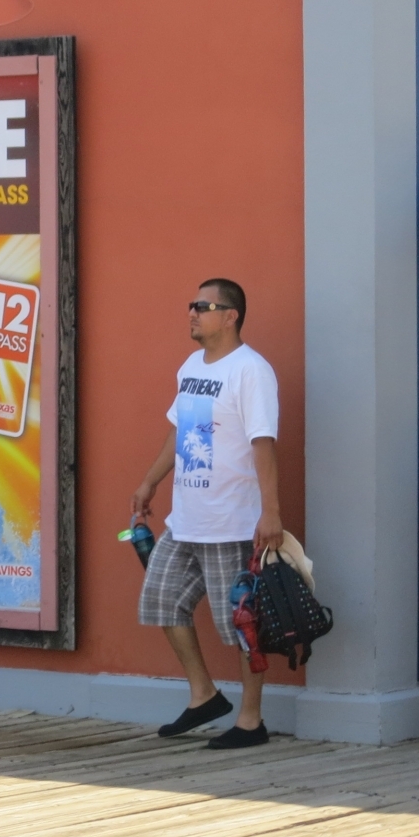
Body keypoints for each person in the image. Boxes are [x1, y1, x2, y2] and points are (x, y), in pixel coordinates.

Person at [130, 279, 282, 751]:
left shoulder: (251, 370)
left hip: (230, 522)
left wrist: (271, 513)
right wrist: (150, 481)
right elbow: (182, 432)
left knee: (242, 624)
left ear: (230, 316)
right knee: (161, 599)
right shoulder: (192, 366)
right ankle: (204, 696)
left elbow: (263, 443)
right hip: (186, 519)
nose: (192, 313)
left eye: (203, 306)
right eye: (191, 305)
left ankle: (251, 721)